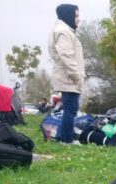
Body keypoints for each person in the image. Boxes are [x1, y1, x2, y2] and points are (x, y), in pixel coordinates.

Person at [48, 4, 85, 144]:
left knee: (69, 109)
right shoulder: (63, 31)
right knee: (71, 109)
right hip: (68, 77)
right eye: (76, 16)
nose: (78, 19)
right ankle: (67, 140)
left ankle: (64, 137)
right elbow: (67, 56)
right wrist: (76, 76)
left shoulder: (63, 30)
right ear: (68, 15)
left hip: (67, 76)